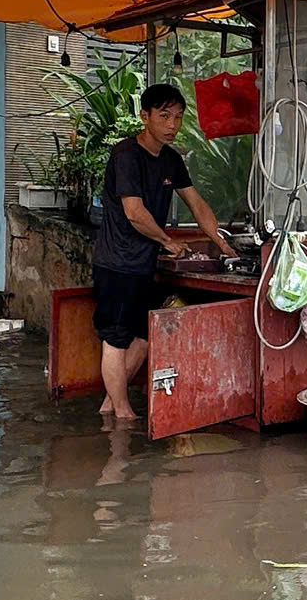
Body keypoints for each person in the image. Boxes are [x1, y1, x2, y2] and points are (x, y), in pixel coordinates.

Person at [91, 83, 225, 424]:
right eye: (164, 116)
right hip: (117, 262)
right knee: (115, 339)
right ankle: (122, 415)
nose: (172, 125)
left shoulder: (171, 160)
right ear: (145, 116)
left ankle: (110, 405)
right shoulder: (125, 156)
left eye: (178, 117)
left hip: (143, 264)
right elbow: (134, 212)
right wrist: (167, 241)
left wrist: (223, 245)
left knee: (145, 336)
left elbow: (196, 204)